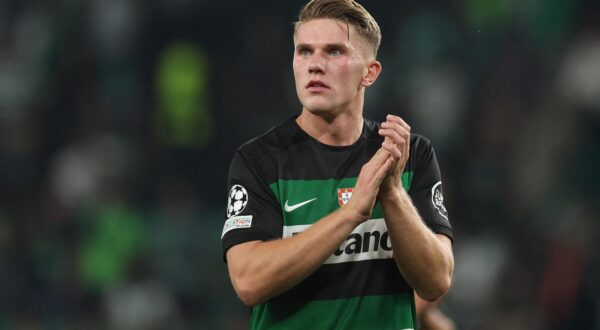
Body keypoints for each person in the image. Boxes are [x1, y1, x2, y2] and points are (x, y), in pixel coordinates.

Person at [221, 0, 454, 329]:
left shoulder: (409, 154)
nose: (315, 65)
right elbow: (248, 282)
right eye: (304, 51)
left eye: (333, 52)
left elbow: (436, 281)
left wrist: (392, 194)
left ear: (369, 73)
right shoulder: (260, 160)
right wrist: (351, 213)